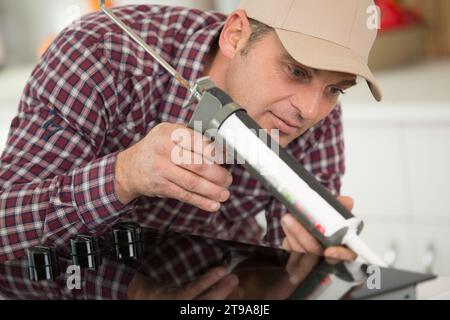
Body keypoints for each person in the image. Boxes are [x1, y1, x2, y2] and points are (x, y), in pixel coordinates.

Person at [0, 0, 382, 269]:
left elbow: (283, 263)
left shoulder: (308, 110)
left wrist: (301, 259)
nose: (311, 111)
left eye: (336, 88)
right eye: (297, 71)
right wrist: (123, 176)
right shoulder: (98, 54)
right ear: (235, 35)